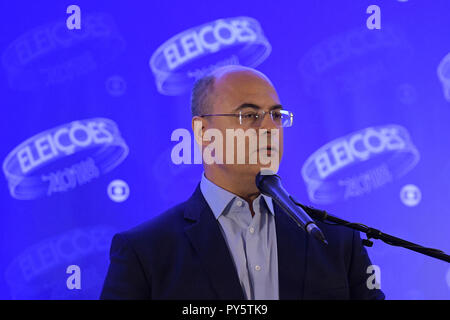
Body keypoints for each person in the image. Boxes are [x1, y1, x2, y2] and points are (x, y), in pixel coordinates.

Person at [100, 65, 385, 300]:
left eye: (276, 115)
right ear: (202, 132)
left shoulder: (336, 241)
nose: (270, 128)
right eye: (249, 116)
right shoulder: (145, 252)